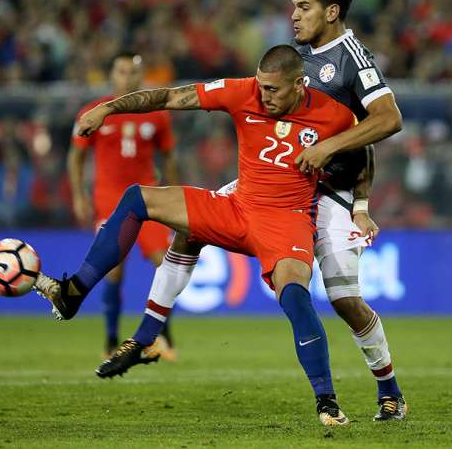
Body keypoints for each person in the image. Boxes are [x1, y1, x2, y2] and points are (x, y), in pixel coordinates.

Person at [103, 0, 409, 421]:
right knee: (188, 229)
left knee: (345, 300)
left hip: (331, 194)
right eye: (293, 6)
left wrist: (355, 194)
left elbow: (385, 121)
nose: (294, 15)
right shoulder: (297, 58)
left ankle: (389, 390)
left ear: (332, 11)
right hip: (273, 187)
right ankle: (147, 334)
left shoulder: (353, 60)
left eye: (303, 7)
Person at [34, 45, 355, 426]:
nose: (263, 95)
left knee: (295, 297)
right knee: (138, 198)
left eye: (273, 89)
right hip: (236, 207)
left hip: (286, 221)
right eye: (261, 86)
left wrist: (360, 205)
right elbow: (170, 96)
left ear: (299, 85)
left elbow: (368, 148)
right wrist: (108, 107)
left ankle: (327, 402)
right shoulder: (244, 91)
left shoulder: (335, 115)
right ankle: (75, 294)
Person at [67, 52, 179, 359]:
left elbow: (169, 158)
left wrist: (175, 196)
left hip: (149, 199)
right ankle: (111, 341)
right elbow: (75, 156)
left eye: (133, 72)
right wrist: (78, 195)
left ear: (141, 77)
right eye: (121, 71)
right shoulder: (94, 111)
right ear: (111, 75)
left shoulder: (156, 113)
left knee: (165, 264)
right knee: (114, 272)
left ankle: (162, 339)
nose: (126, 77)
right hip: (109, 200)